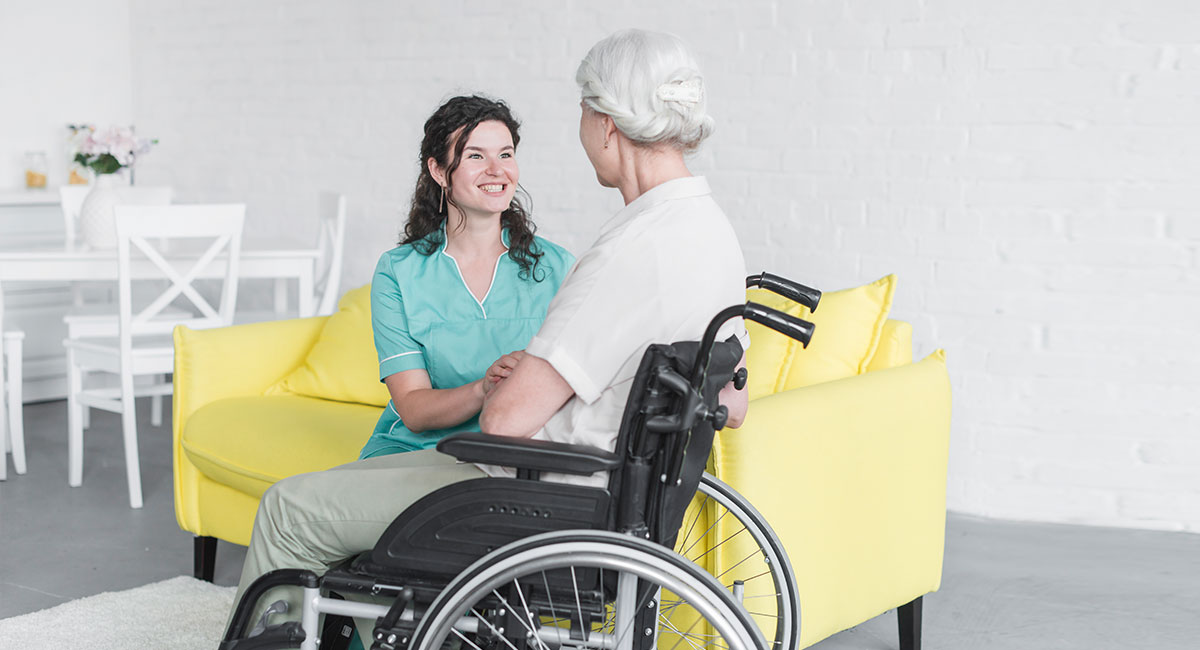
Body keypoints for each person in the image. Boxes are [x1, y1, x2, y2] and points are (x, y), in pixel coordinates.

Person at [227, 28, 748, 641]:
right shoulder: (710, 232)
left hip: (537, 490)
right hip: (604, 488)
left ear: (607, 123)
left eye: (582, 113)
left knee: (287, 509)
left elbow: (503, 422)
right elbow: (732, 401)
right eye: (476, 155)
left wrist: (506, 385)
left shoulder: (623, 251)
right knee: (341, 488)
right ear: (440, 171)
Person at [358, 95, 575, 460]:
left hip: (517, 451)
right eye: (476, 155)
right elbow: (413, 408)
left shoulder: (557, 267)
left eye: (505, 154)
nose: (497, 169)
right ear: (439, 171)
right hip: (418, 451)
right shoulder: (398, 271)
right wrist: (484, 388)